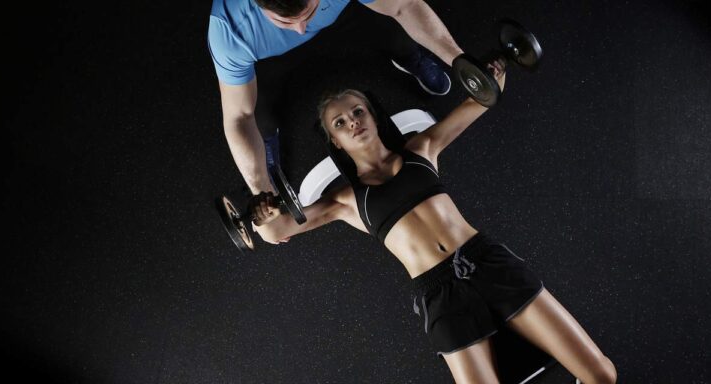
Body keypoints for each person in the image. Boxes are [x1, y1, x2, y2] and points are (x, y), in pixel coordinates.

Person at [250, 61, 618, 383]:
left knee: (602, 374)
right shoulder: (346, 201)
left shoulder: (421, 150)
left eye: (358, 112)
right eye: (341, 123)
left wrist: (494, 72)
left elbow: (481, 99)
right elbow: (277, 231)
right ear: (335, 140)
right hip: (440, 296)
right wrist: (263, 215)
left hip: (489, 265)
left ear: (373, 115)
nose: (354, 123)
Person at [207, 0, 465, 199]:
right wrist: (261, 191)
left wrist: (460, 61)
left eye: (306, 12)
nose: (300, 29)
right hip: (269, 55)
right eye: (285, 21)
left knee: (391, 18)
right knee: (256, 110)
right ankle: (266, 148)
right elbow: (239, 117)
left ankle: (411, 57)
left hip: (345, 11)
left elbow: (405, 6)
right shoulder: (229, 30)